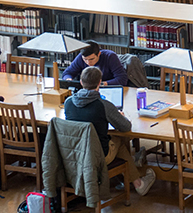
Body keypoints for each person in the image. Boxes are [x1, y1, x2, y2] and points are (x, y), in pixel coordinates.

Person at [63, 66, 156, 195]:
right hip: (98, 156)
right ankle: (137, 182)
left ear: (81, 82)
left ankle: (128, 176)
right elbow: (125, 127)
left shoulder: (68, 102)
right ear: (99, 83)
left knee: (113, 141)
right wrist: (120, 116)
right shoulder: (104, 105)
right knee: (120, 141)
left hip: (75, 153)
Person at [61, 41, 128, 86]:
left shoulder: (110, 57)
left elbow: (122, 79)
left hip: (106, 89)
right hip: (87, 90)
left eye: (91, 59)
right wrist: (69, 80)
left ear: (99, 54)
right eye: (85, 59)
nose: (88, 62)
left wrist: (101, 84)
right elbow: (67, 73)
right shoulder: (80, 57)